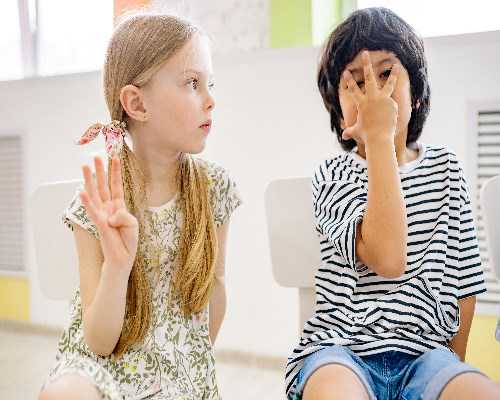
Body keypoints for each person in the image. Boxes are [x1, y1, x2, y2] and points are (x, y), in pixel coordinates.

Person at [285, 7, 500, 400]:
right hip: (341, 350)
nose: (373, 93)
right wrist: (380, 138)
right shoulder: (333, 174)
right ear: (339, 109)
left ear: (415, 93)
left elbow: (465, 284)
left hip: (426, 356)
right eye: (355, 82)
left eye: (385, 74)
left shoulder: (446, 169)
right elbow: (388, 257)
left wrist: (451, 370)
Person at [39, 12, 241, 400]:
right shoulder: (99, 202)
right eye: (192, 83)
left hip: (179, 374)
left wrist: (189, 371)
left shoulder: (214, 188)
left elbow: (213, 292)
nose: (211, 100)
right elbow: (99, 342)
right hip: (102, 367)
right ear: (137, 103)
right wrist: (117, 267)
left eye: (210, 83)